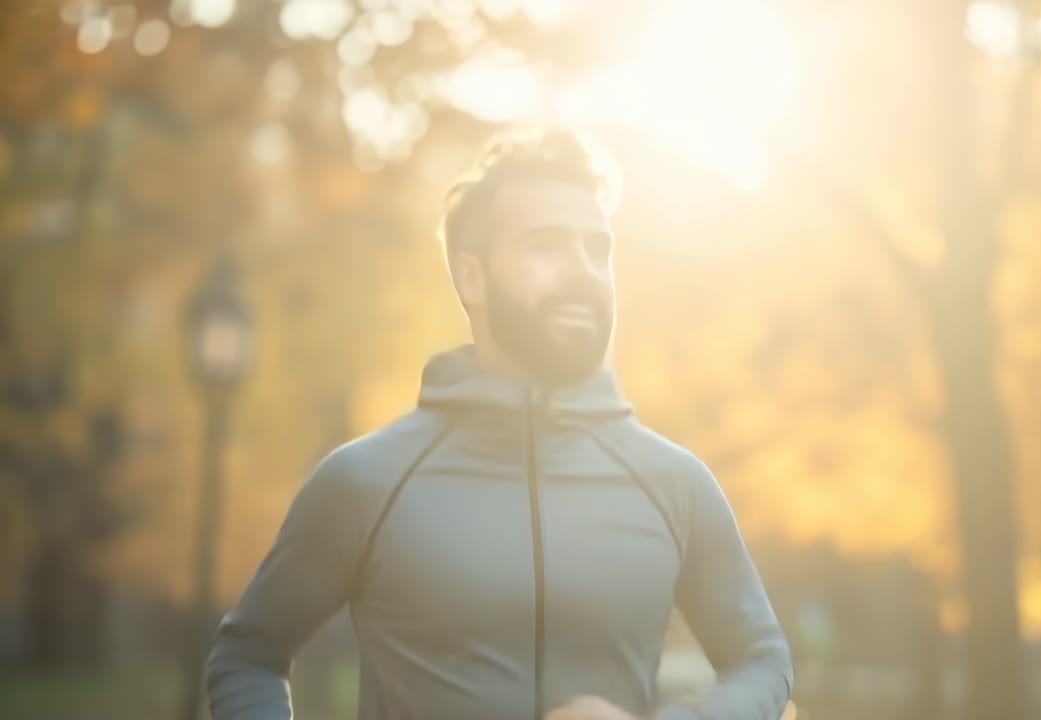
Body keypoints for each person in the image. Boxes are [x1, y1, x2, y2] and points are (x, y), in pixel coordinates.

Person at [206, 126, 794, 720]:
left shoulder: (676, 483)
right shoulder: (367, 481)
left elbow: (761, 658)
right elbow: (247, 654)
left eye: (598, 248)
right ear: (472, 277)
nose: (584, 270)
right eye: (548, 245)